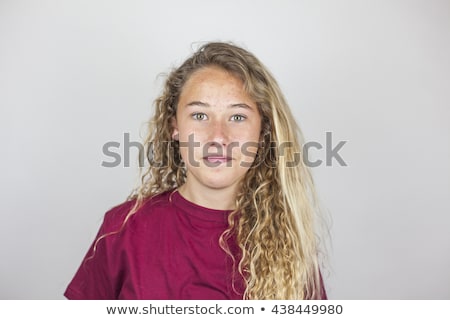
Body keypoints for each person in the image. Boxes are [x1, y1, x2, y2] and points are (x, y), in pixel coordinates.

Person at [64, 42, 327, 300]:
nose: (218, 137)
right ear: (174, 127)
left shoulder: (288, 247)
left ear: (263, 131)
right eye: (200, 115)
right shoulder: (122, 229)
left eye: (237, 117)